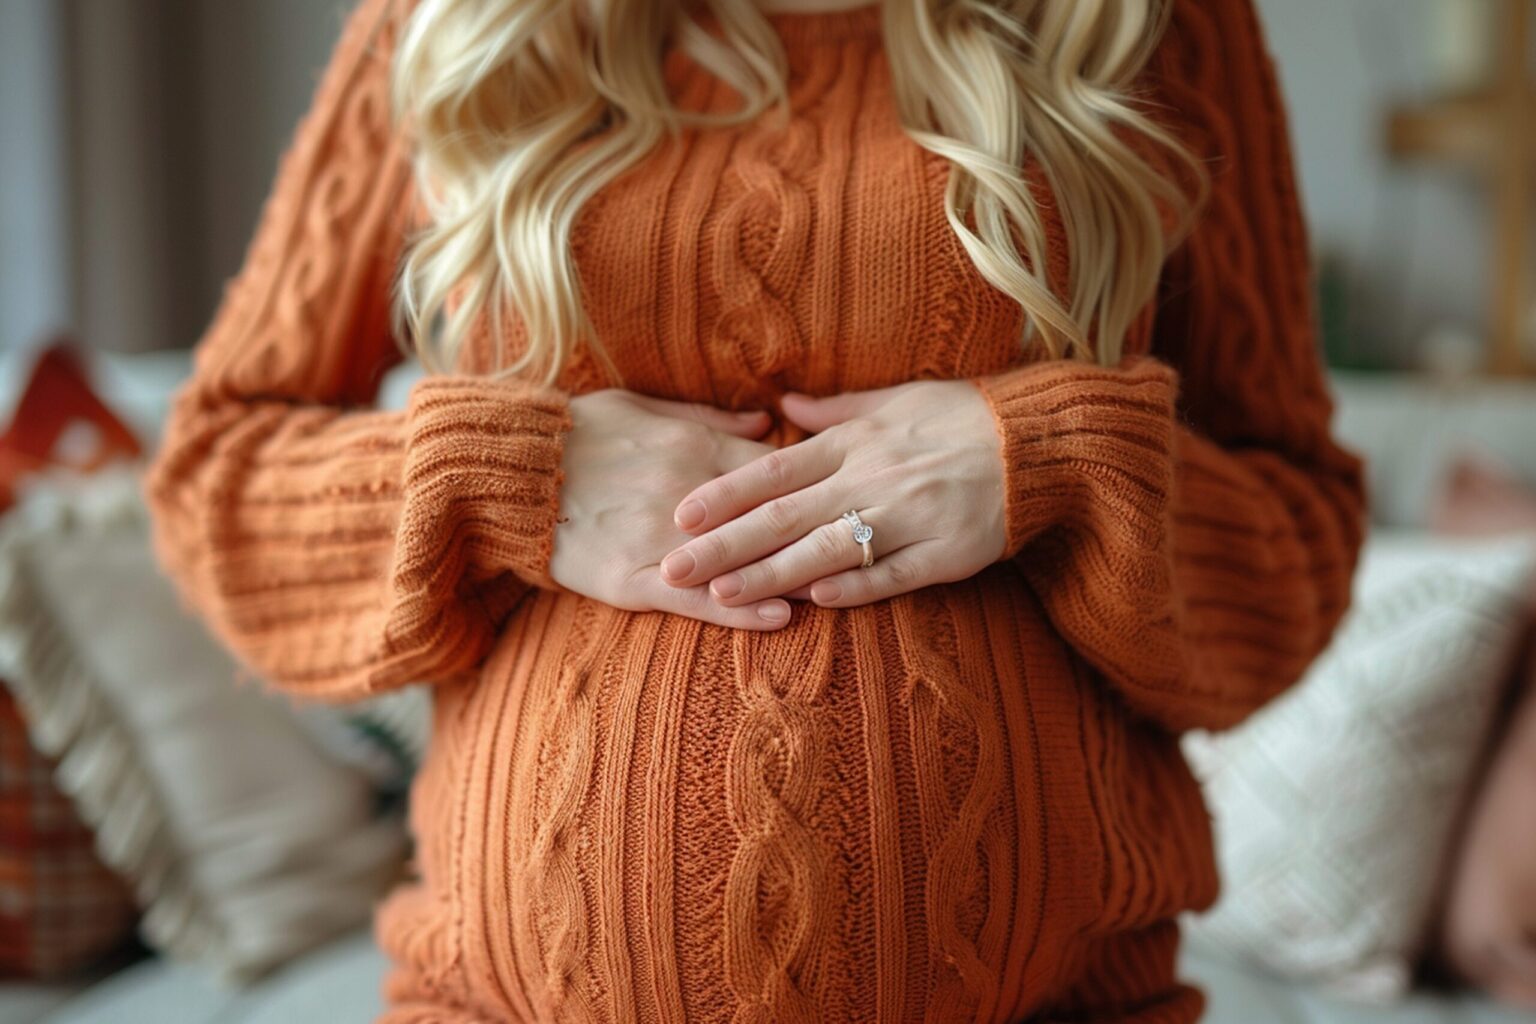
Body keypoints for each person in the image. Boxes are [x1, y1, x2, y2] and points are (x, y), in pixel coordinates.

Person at [141, 0, 1367, 1018]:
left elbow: (1298, 537)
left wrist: (1063, 463)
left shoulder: (1142, 24)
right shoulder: (460, 23)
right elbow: (217, 483)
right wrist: (504, 476)